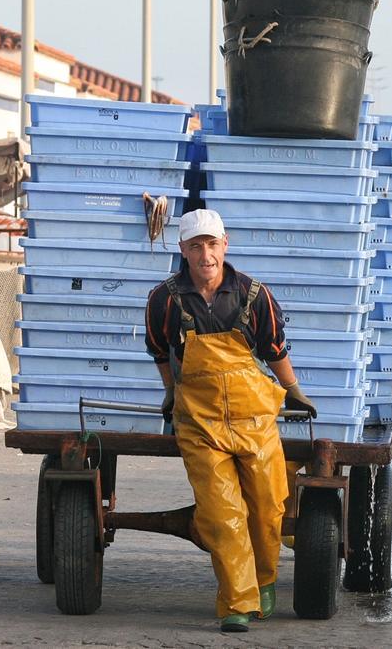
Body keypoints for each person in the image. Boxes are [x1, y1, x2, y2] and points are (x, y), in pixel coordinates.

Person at [145, 208, 317, 633]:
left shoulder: (254, 295)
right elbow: (160, 351)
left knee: (266, 507)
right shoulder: (164, 298)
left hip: (255, 420)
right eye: (196, 246)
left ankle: (265, 581)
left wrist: (291, 388)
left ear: (226, 245)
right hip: (200, 425)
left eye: (212, 244)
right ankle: (237, 603)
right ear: (183, 250)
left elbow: (274, 347)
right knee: (222, 514)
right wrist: (172, 392)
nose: (206, 255)